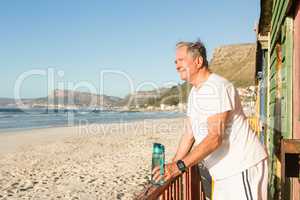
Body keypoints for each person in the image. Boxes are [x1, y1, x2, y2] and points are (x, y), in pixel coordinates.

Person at [152, 40, 268, 200]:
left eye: (181, 60)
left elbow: (215, 138)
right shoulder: (195, 92)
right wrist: (172, 165)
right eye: (175, 61)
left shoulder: (217, 87)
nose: (176, 65)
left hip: (241, 167)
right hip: (222, 172)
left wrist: (179, 167)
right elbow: (189, 134)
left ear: (198, 61)